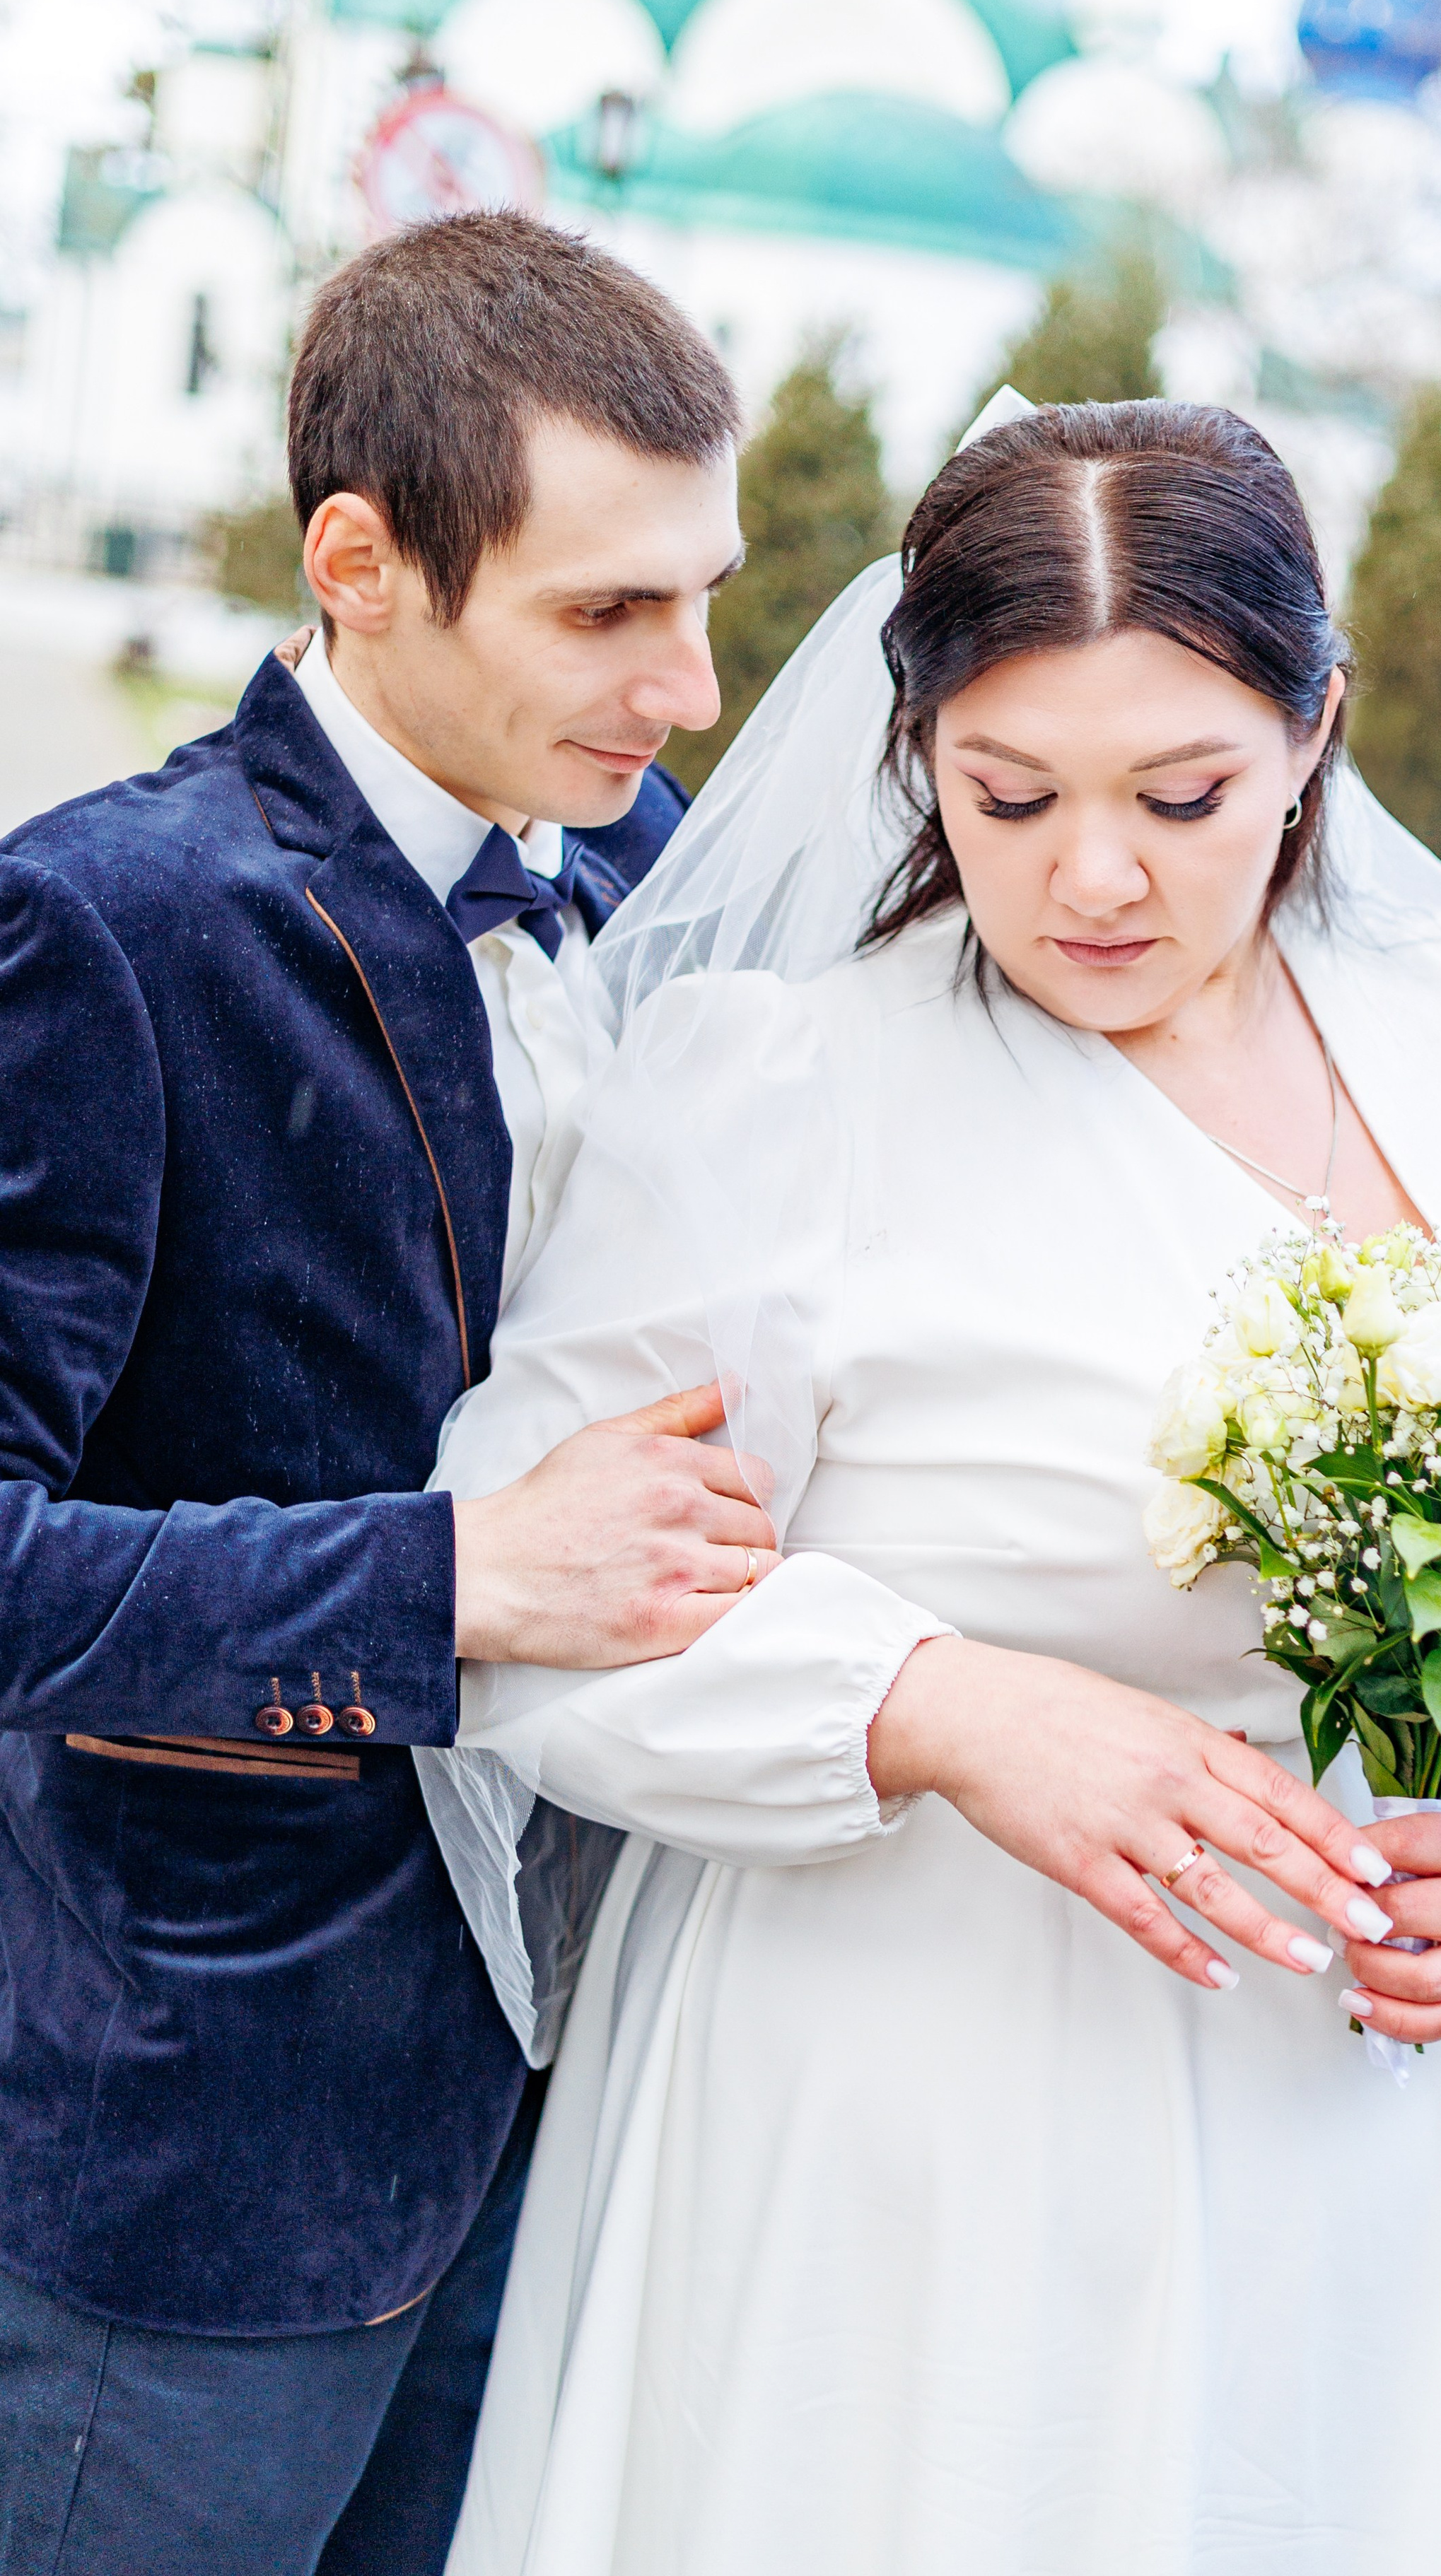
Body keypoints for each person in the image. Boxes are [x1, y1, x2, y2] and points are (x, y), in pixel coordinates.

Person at [431, 399, 1441, 2576]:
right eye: (1008, 793)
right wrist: (940, 1708)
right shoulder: (788, 1090)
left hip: (1415, 2164)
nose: (1092, 878)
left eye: (1181, 796)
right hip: (944, 2154)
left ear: (1315, 732)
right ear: (916, 751)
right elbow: (536, 1611)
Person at [0, 213, 785, 2576]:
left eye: (706, 596)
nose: (692, 688)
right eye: (605, 611)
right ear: (360, 566)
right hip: (204, 2163)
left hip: (570, 2105)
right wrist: (450, 1583)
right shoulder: (102, 928)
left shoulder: (653, 862)